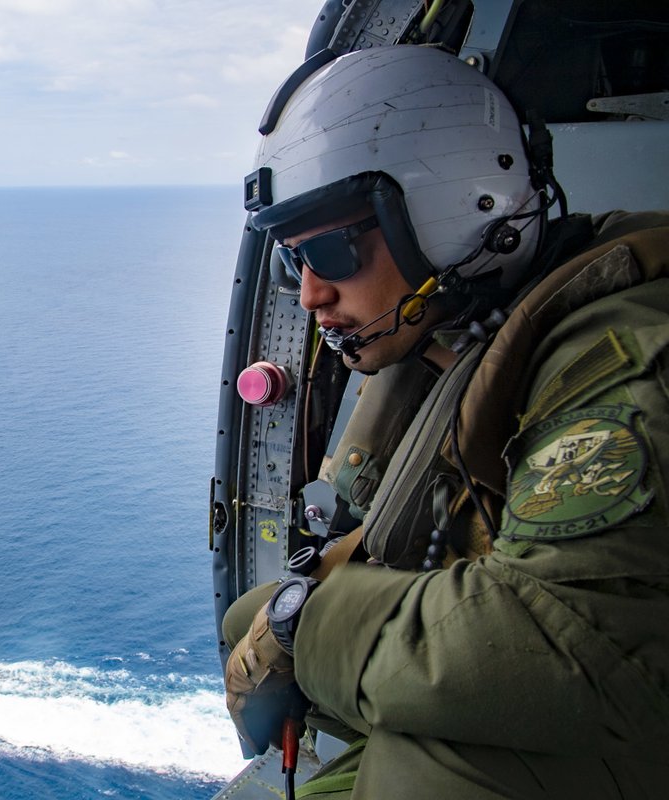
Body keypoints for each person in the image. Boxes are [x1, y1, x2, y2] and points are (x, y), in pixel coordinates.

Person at [222, 44, 669, 798]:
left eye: (331, 251)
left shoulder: (624, 358)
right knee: (247, 621)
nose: (310, 297)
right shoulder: (457, 340)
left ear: (461, 207)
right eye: (294, 263)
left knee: (433, 778)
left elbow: (574, 646)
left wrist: (305, 624)